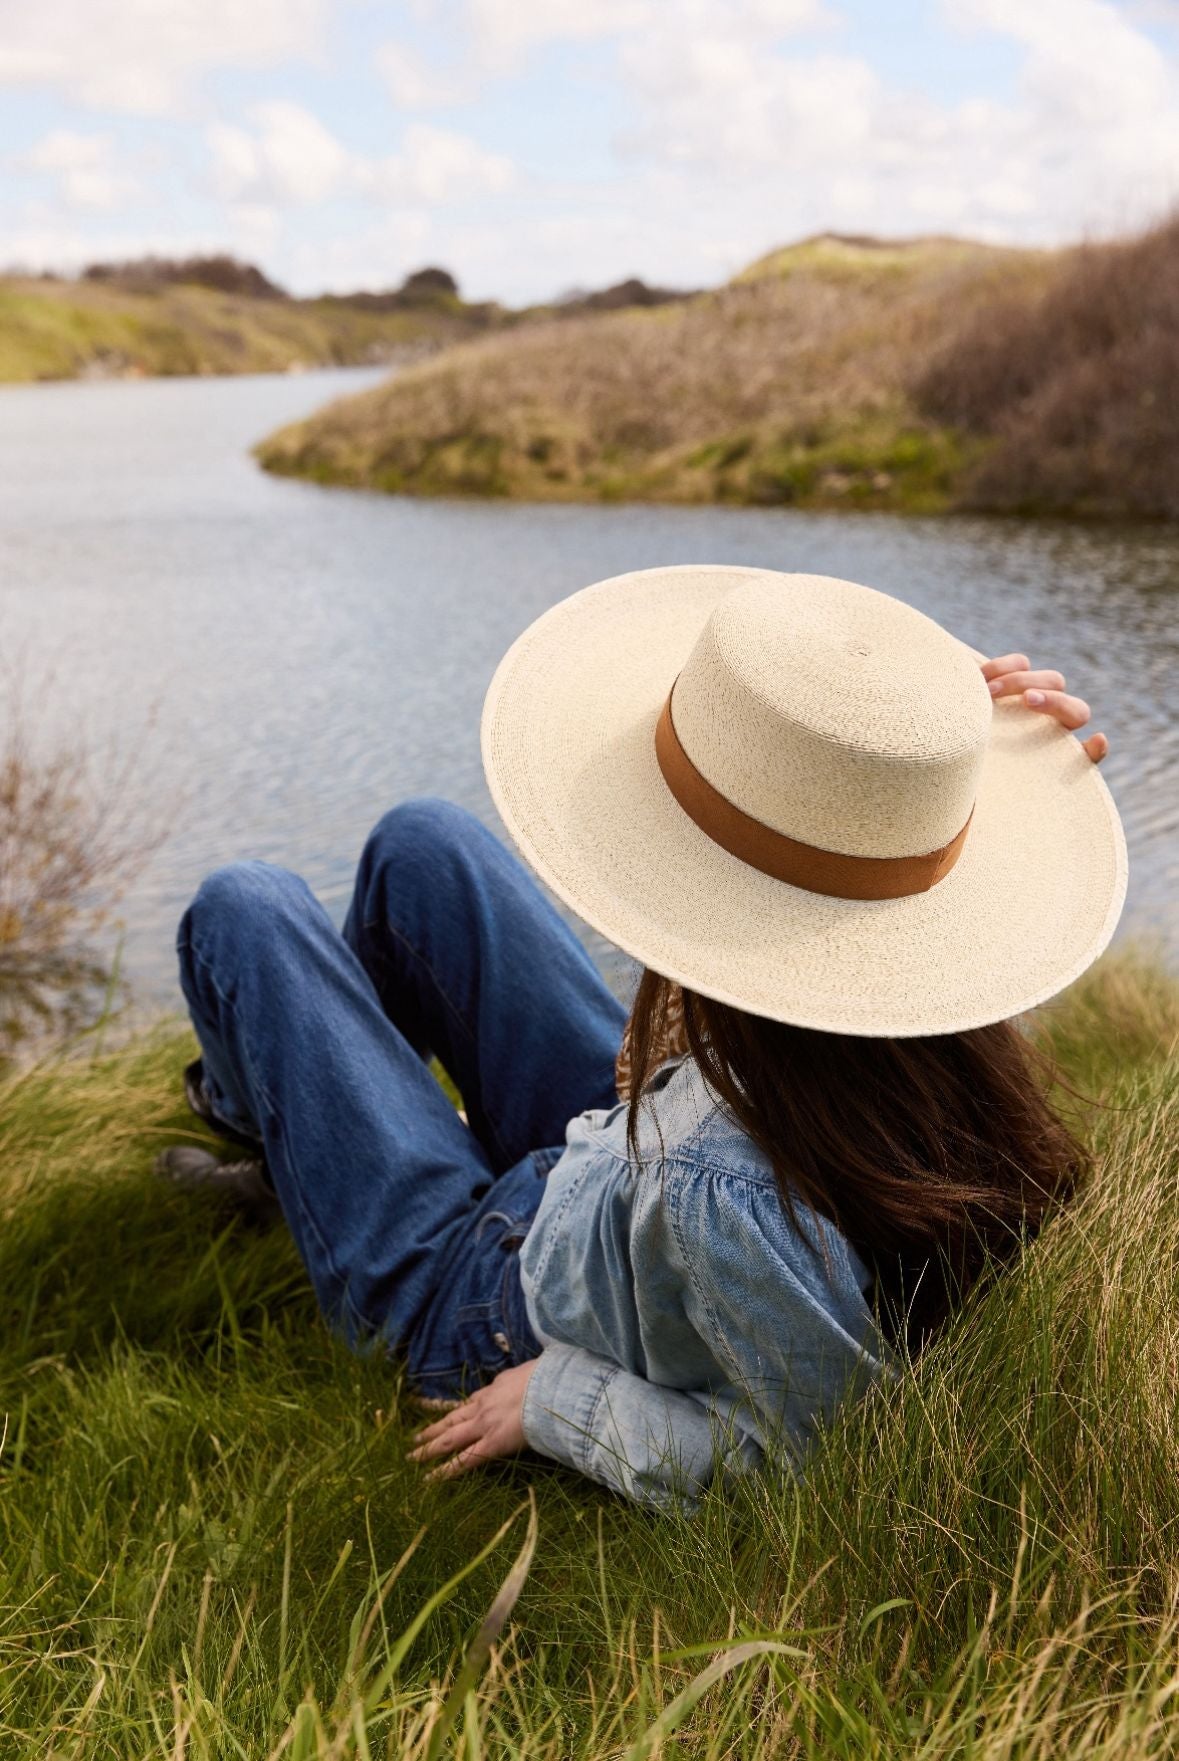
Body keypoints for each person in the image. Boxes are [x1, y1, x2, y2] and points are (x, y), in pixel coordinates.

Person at [157, 566, 1125, 1508]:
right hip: (609, 1172)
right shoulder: (899, 1024)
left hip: (482, 1312)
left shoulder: (728, 1193)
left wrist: (558, 1402)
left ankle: (288, 1147)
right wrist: (950, 751)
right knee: (425, 843)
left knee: (244, 911)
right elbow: (881, 868)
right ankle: (304, 1146)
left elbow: (797, 1454)